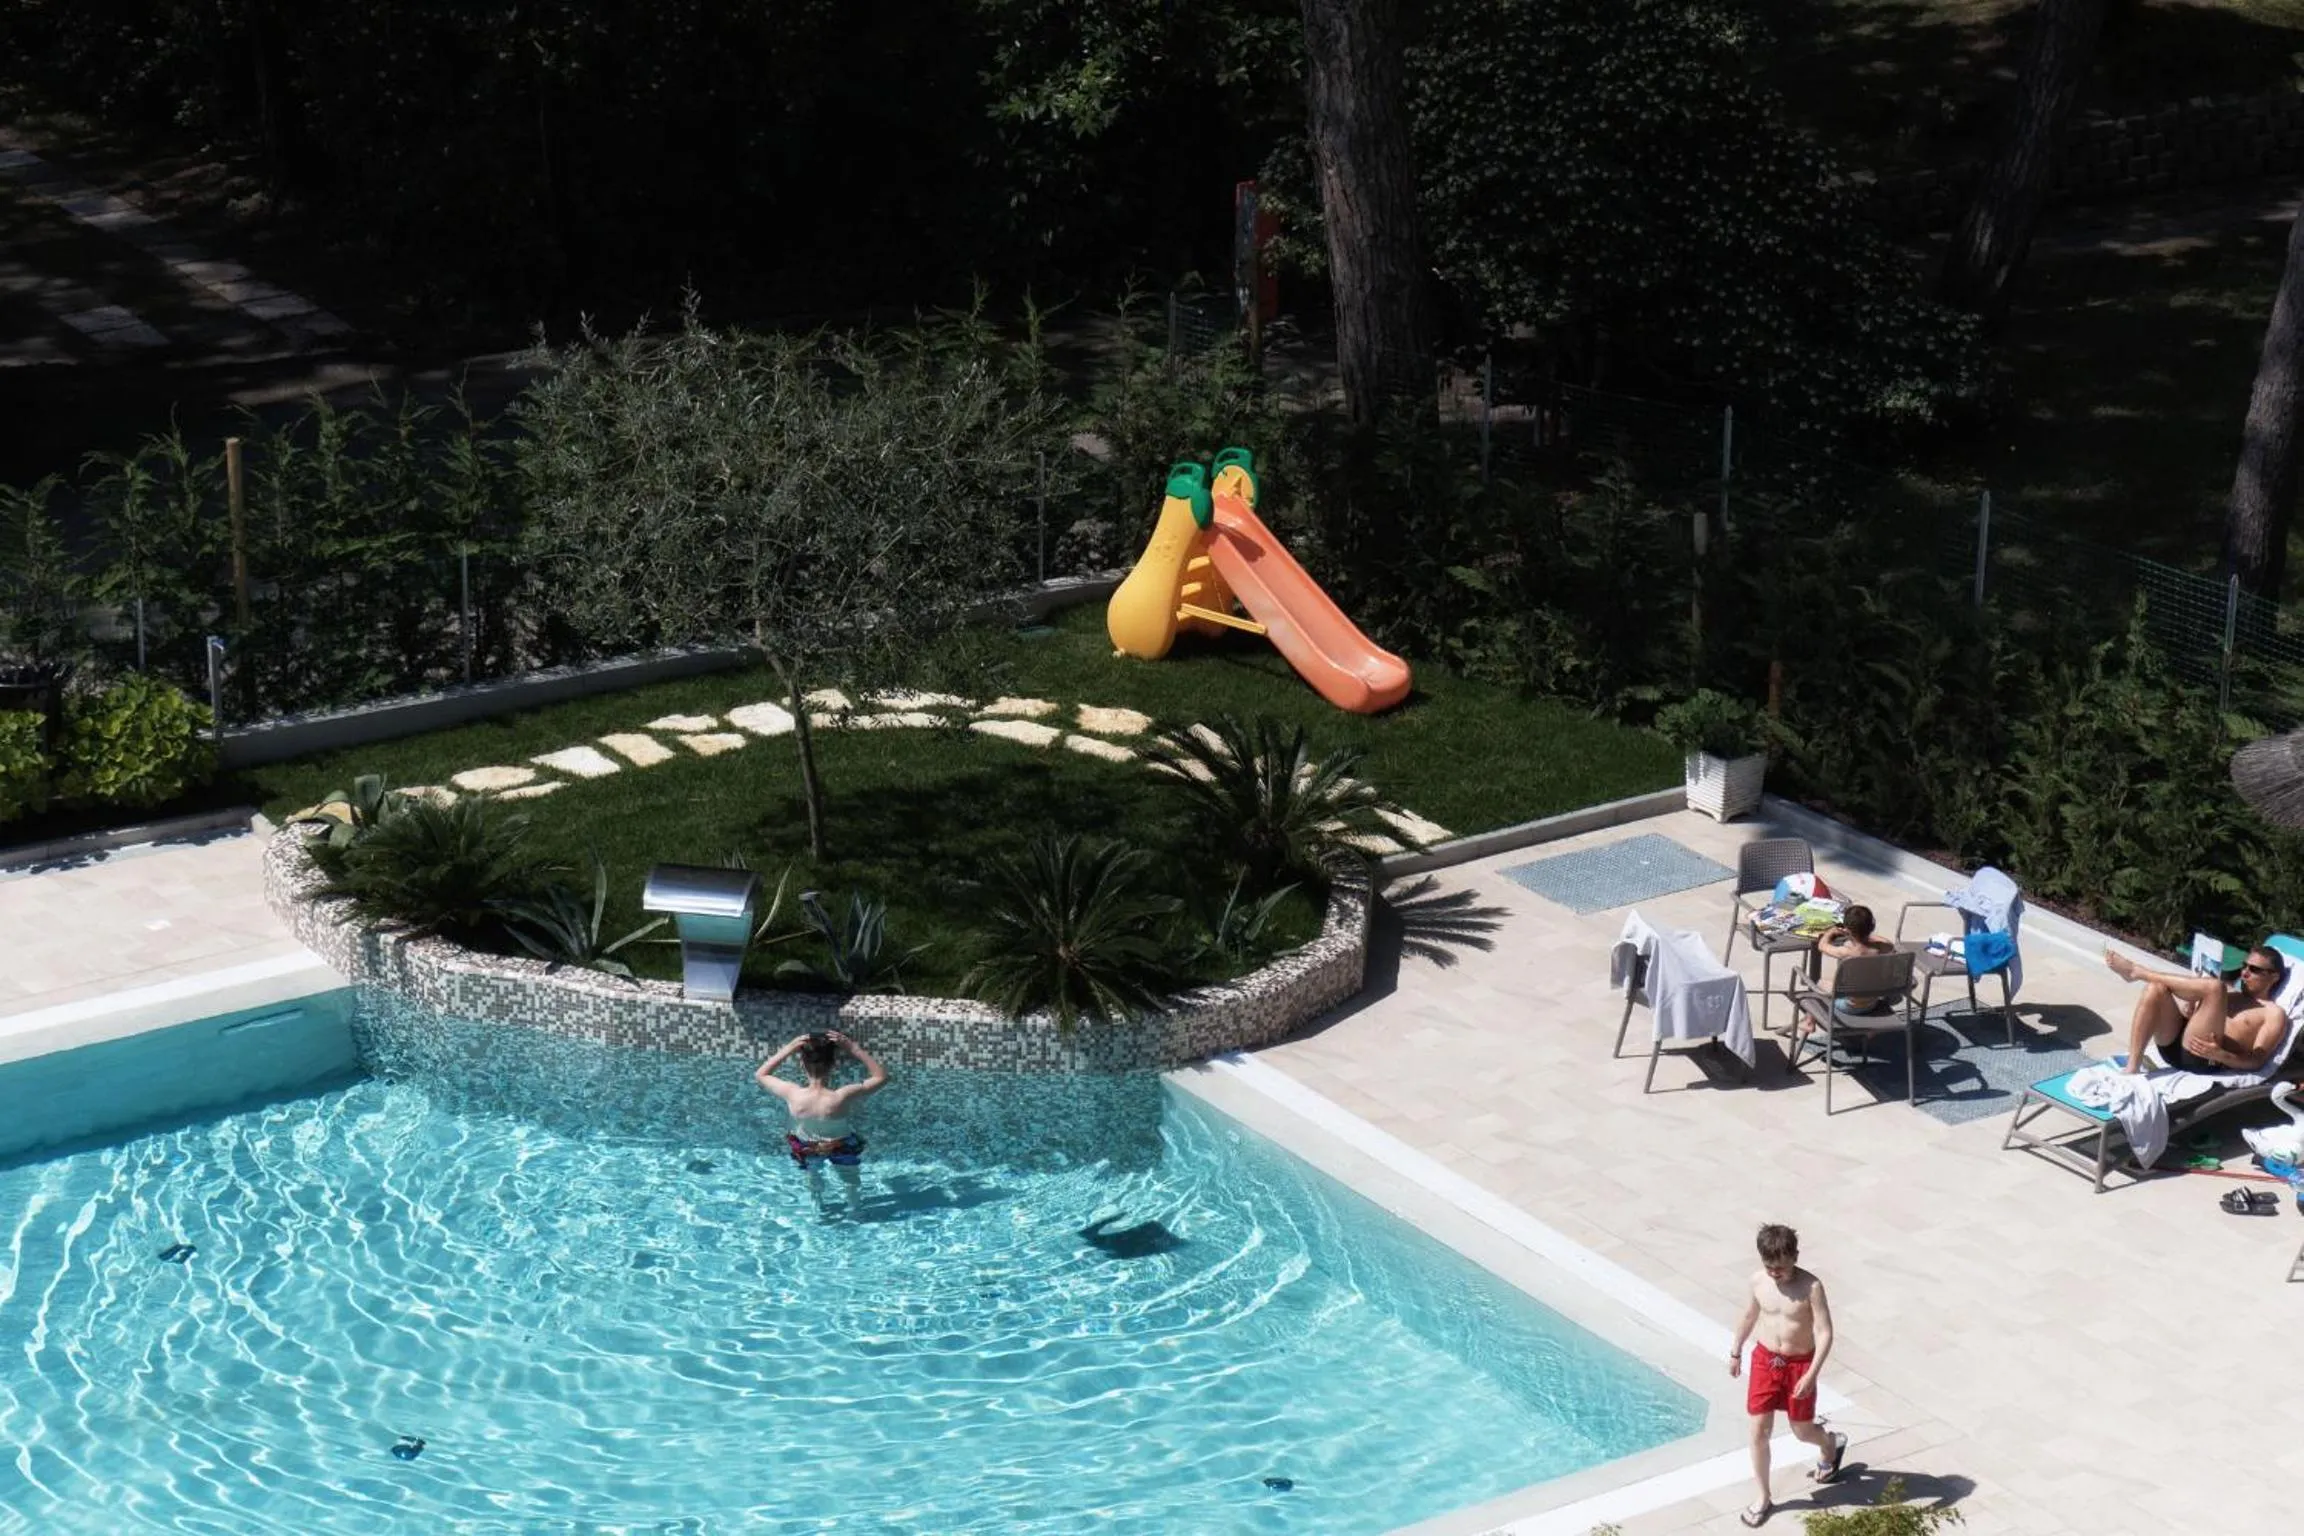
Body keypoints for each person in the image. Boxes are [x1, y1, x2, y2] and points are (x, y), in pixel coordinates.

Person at [1729, 1223, 1845, 1527]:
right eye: (1769, 1267)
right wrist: (1736, 1349)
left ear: (1794, 1256)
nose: (1774, 1273)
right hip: (1766, 1361)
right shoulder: (1758, 1281)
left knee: (1801, 1430)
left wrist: (1812, 1374)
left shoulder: (1811, 1288)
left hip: (1799, 1366)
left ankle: (1829, 1444)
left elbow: (1824, 1332)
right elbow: (1749, 1315)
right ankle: (1763, 1497)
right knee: (1758, 1431)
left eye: (1780, 1267)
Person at [2103, 944, 2290, 1076]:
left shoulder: (2273, 1013)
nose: (2244, 973)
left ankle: (2138, 972)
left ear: (2274, 977)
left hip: (2205, 1060)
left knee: (2215, 987)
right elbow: (2196, 1023)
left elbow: (2257, 1061)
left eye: (2254, 969)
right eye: (2244, 966)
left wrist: (2220, 1055)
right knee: (2155, 989)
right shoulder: (2230, 995)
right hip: (2173, 1049)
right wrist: (2190, 1010)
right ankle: (2132, 1066)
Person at [754, 1029, 889, 1177]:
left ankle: (816, 1198)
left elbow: (761, 1074)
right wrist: (853, 1048)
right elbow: (881, 1077)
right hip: (841, 1146)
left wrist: (789, 1048)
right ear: (834, 1064)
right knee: (851, 1179)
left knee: (813, 1176)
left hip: (806, 1146)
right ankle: (853, 1200)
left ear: (802, 1064)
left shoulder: (792, 1094)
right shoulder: (841, 1096)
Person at [1814, 905, 1897, 1017]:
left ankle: (1810, 1020)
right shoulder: (1880, 949)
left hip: (1849, 1006)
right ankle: (1809, 1021)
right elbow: (1888, 943)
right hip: (1873, 1003)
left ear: (1847, 929)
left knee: (1820, 983)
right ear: (1871, 927)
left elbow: (1822, 946)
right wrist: (1868, 935)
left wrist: (1830, 933)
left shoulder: (1846, 952)